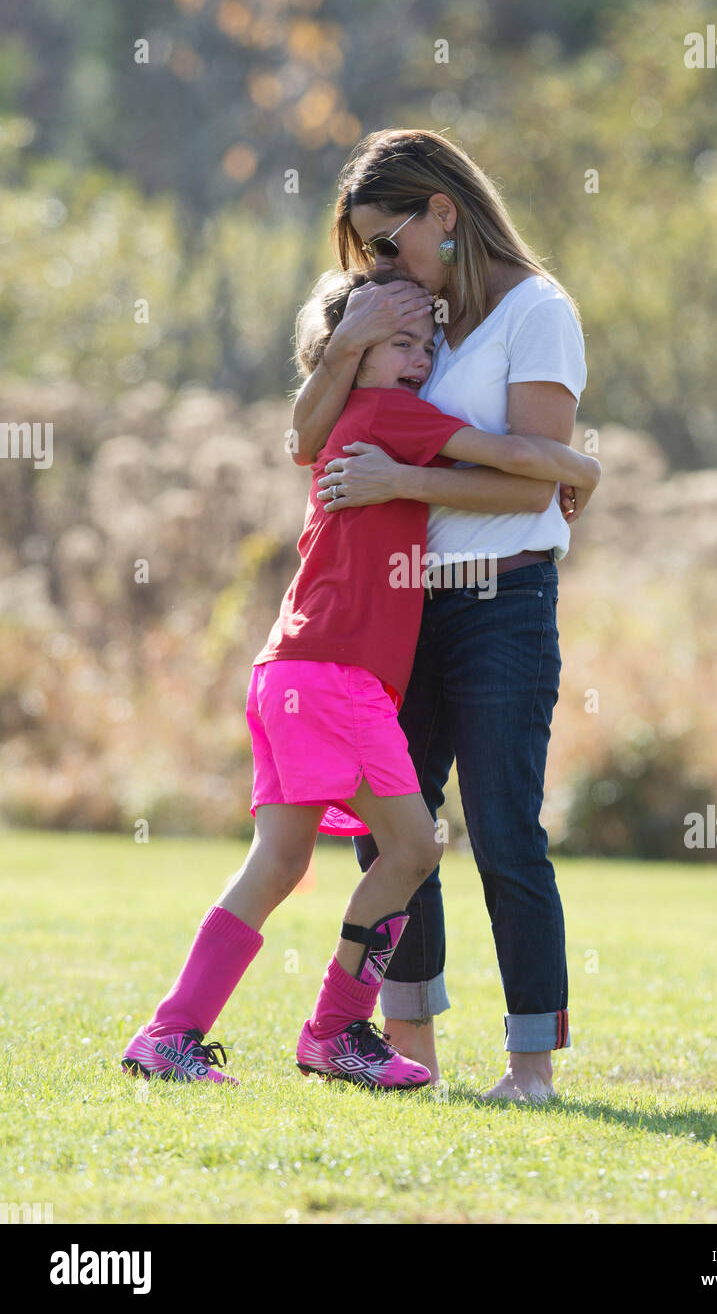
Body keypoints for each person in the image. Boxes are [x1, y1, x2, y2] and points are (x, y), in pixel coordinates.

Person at [120, 267, 599, 1089]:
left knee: (277, 864)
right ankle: (335, 1029)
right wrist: (582, 473)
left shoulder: (339, 415)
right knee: (414, 844)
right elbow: (516, 457)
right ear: (351, 354)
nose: (420, 361)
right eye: (401, 344)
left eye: (426, 345)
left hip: (286, 672)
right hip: (338, 679)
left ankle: (170, 1035)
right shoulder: (389, 415)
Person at [290, 128, 594, 1101]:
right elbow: (312, 441)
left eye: (388, 242)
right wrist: (348, 343)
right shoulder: (416, 320)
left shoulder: (535, 312)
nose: (378, 267)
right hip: (404, 610)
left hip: (503, 598)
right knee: (392, 832)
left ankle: (530, 1064)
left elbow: (531, 488)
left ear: (443, 215)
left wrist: (402, 476)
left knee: (505, 829)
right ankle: (406, 1048)